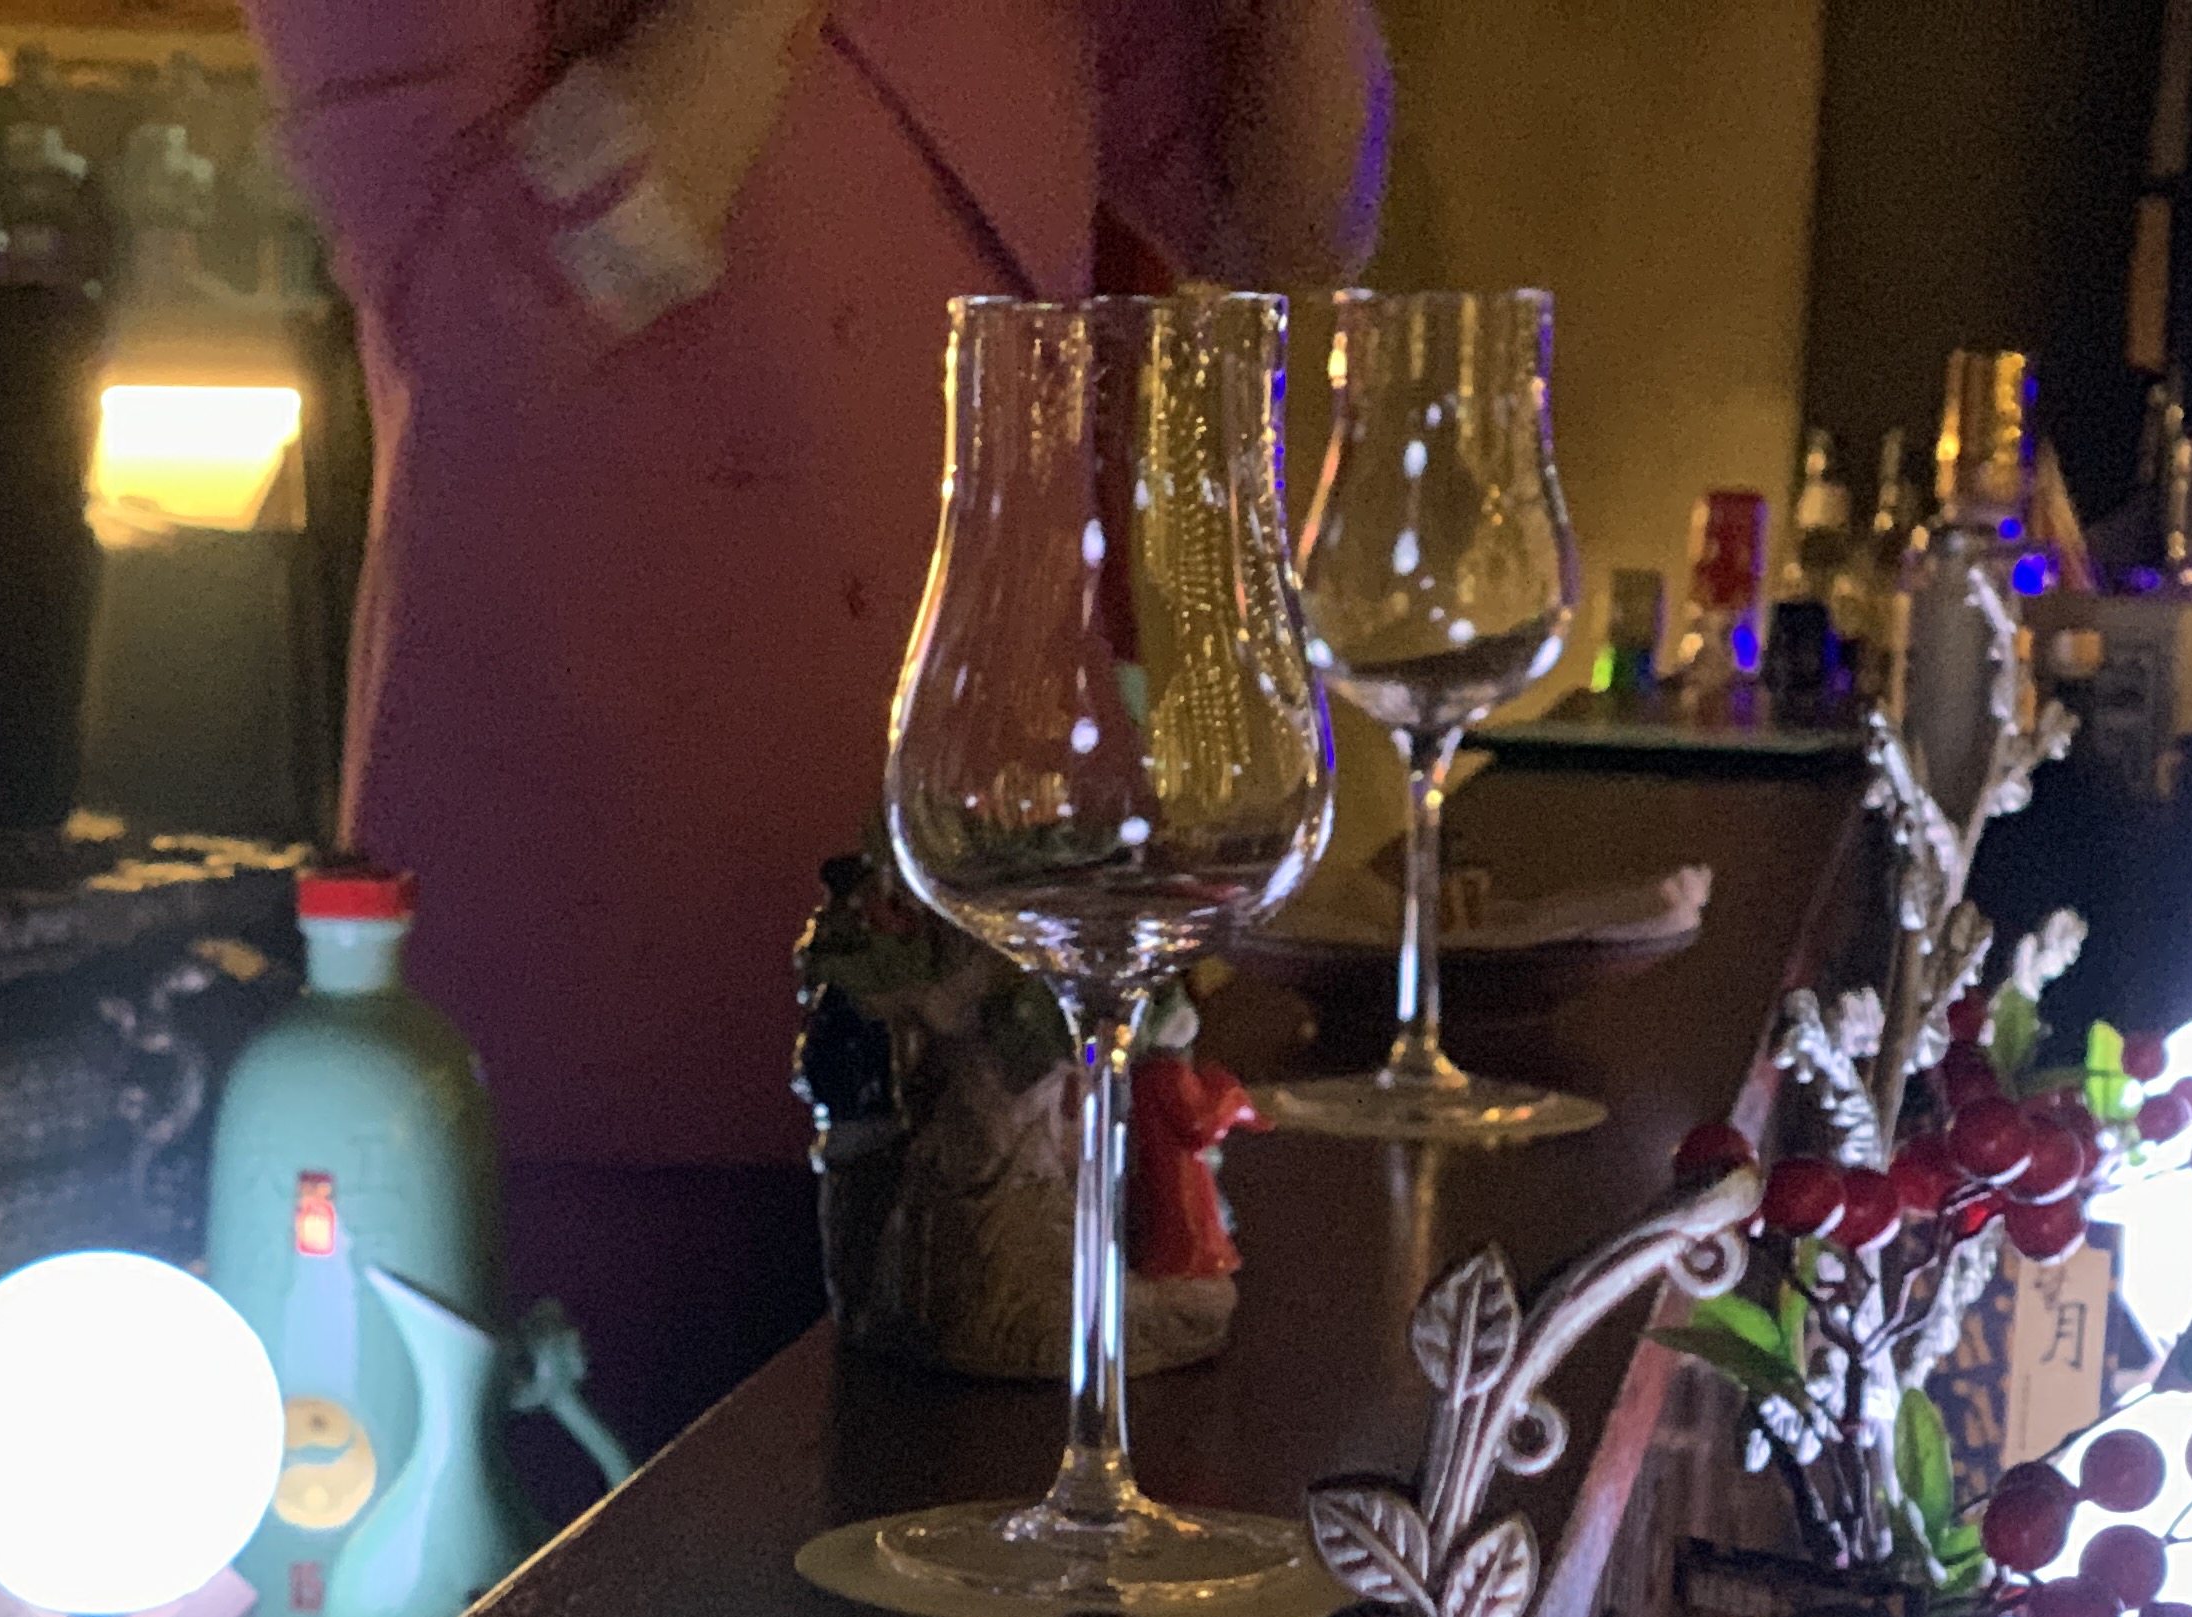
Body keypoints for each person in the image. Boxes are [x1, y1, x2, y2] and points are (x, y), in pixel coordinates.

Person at [249, 0, 1387, 1456]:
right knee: (601, 1559)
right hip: (610, 976)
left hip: (995, 962)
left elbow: (1286, 234)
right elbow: (484, 313)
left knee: (986, 1548)